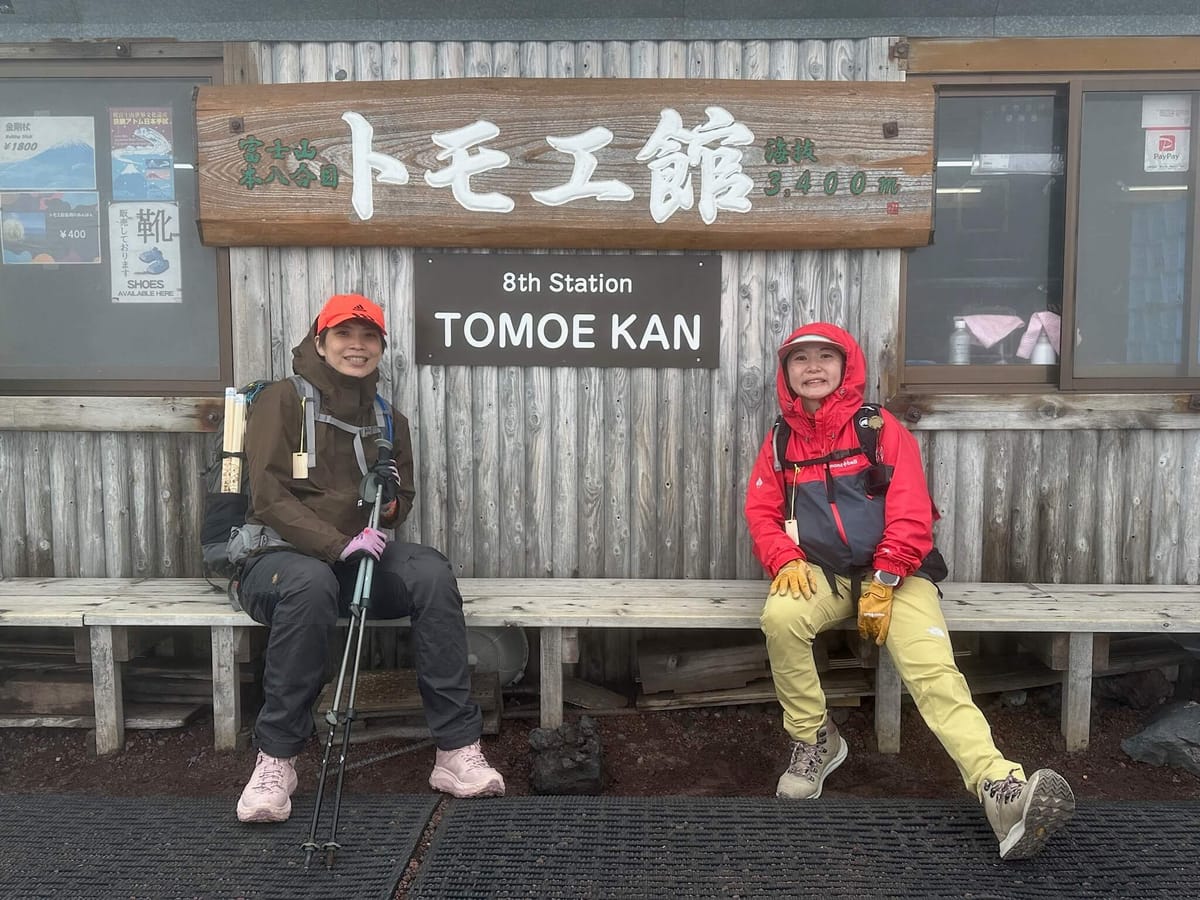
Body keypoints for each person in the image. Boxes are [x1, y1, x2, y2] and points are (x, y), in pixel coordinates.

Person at [744, 322, 1075, 860]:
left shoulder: (878, 428)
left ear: (846, 366)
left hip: (896, 574)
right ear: (786, 373)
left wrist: (886, 576)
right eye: (800, 359)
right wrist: (784, 558)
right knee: (780, 620)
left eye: (826, 356)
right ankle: (814, 739)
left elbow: (911, 509)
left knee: (930, 667)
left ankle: (1001, 788)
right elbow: (761, 511)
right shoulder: (782, 439)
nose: (813, 367)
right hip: (821, 572)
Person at [234, 292, 505, 823]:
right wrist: (338, 544)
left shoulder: (388, 419)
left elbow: (401, 507)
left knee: (429, 571)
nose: (356, 346)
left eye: (368, 336)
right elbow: (267, 497)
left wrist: (391, 499)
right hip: (277, 560)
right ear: (320, 341)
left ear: (380, 347)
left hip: (355, 561)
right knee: (311, 584)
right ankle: (276, 760)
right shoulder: (282, 401)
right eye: (343, 334)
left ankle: (456, 750)